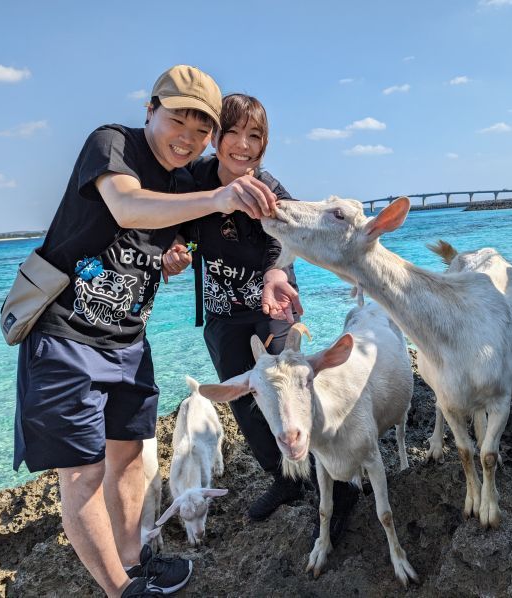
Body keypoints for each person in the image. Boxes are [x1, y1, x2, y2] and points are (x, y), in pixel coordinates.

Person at [14, 65, 279, 598]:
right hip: (66, 334)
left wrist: (266, 269)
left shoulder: (184, 182)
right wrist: (215, 200)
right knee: (82, 475)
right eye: (177, 118)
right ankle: (120, 590)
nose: (188, 136)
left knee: (131, 456)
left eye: (201, 129)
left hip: (129, 340)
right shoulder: (112, 144)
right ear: (150, 109)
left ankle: (136, 561)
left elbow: (211, 228)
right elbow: (127, 204)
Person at [168, 93, 360, 538]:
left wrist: (276, 271)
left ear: (264, 144)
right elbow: (181, 228)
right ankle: (284, 480)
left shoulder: (269, 187)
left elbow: (294, 233)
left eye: (254, 136)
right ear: (215, 137)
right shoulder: (193, 179)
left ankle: (337, 482)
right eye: (232, 132)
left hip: (272, 301)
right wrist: (177, 250)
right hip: (221, 312)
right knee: (245, 400)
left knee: (292, 391)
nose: (242, 144)